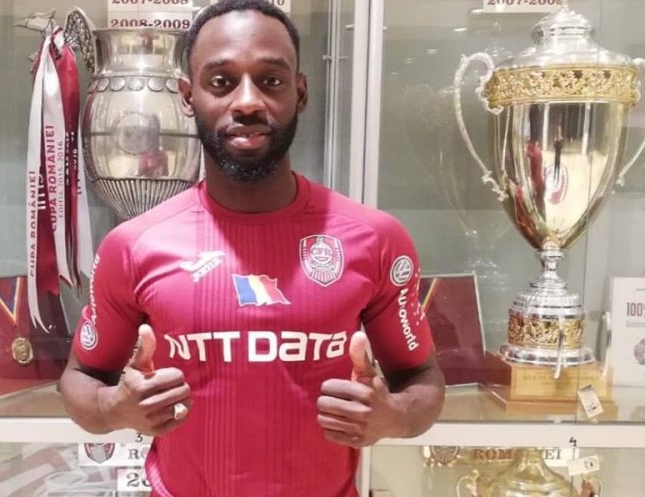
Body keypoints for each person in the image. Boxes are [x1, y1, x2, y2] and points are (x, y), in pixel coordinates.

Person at [59, 1, 445, 496]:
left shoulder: (375, 239)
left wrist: (396, 415)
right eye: (221, 82)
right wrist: (112, 408)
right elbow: (80, 378)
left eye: (271, 80)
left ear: (300, 93)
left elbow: (422, 377)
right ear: (187, 96)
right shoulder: (133, 246)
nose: (247, 101)